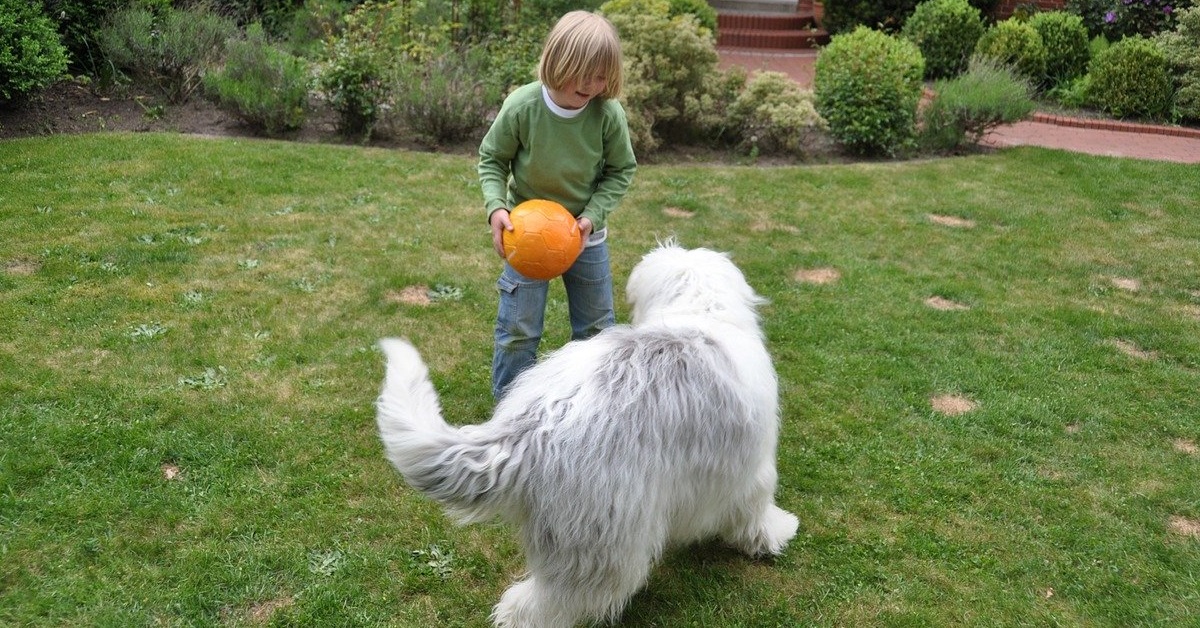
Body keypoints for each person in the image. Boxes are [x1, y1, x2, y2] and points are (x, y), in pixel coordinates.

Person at [479, 10, 637, 400]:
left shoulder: (607, 115)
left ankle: (594, 407)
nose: (591, 84)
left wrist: (591, 217)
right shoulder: (523, 106)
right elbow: (492, 159)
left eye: (601, 76)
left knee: (597, 329)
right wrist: (497, 207)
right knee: (519, 330)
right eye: (581, 73)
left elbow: (621, 170)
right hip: (527, 237)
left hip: (587, 239)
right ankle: (511, 410)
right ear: (556, 62)